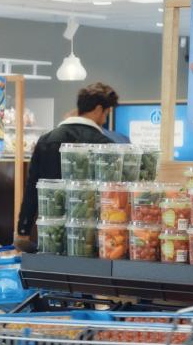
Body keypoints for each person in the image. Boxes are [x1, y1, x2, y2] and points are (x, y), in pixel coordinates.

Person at [15, 83, 118, 251]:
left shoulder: (46, 139)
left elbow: (32, 188)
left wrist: (23, 230)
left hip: (50, 233)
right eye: (106, 113)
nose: (105, 119)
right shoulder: (105, 145)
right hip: (90, 238)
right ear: (99, 109)